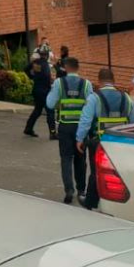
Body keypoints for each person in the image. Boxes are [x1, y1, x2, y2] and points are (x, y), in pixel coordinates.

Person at [76, 68, 134, 209]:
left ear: (99, 81)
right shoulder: (126, 97)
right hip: (121, 142)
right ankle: (120, 200)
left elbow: (85, 121)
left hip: (100, 142)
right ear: (113, 81)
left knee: (97, 171)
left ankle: (91, 202)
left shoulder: (94, 97)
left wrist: (79, 139)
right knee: (120, 171)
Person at [46, 57, 92, 204]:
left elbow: (50, 103)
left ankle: (69, 190)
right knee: (80, 159)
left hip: (65, 126)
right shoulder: (86, 84)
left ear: (66, 67)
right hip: (81, 128)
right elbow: (90, 106)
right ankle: (81, 191)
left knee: (66, 159)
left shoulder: (59, 83)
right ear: (78, 68)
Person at [22, 54, 53, 137]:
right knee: (50, 111)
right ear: (46, 56)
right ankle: (53, 133)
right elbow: (46, 76)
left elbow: (25, 69)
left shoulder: (36, 63)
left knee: (37, 110)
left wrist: (32, 76)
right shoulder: (45, 64)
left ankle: (28, 128)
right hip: (44, 91)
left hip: (36, 89)